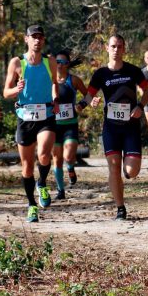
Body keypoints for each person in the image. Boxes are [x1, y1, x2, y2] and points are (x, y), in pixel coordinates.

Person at [76, 34, 148, 220]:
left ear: (124, 49)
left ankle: (125, 175)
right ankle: (120, 208)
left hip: (131, 127)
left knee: (131, 172)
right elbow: (89, 95)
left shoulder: (133, 71)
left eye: (120, 46)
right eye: (113, 46)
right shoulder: (101, 74)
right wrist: (80, 106)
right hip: (111, 128)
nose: (116, 50)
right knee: (113, 167)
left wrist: (140, 107)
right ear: (107, 49)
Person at [3, 25, 59, 223]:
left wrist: (55, 98)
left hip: (46, 114)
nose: (37, 40)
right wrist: (16, 89)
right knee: (27, 167)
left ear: (43, 40)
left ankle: (42, 182)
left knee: (44, 154)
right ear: (26, 39)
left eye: (40, 37)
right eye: (33, 37)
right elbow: (5, 93)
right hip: (25, 117)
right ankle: (31, 205)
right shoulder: (17, 63)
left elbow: (54, 83)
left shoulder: (49, 61)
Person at [51, 50, 88, 198]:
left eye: (63, 62)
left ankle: (71, 167)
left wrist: (81, 105)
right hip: (53, 125)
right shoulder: (49, 80)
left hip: (70, 125)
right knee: (57, 159)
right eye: (57, 62)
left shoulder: (74, 80)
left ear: (68, 65)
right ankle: (61, 191)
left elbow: (88, 95)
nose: (60, 65)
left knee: (68, 156)